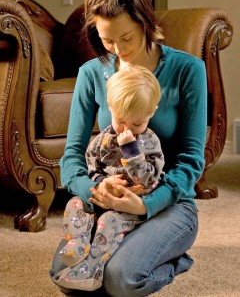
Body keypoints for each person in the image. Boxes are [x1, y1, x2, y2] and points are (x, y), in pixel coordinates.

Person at [49, 0, 207, 296]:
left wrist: (146, 204)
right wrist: (94, 190)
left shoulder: (188, 70)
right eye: (108, 40)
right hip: (106, 203)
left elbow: (191, 160)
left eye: (126, 37)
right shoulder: (92, 73)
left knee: (120, 281)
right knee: (67, 278)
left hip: (169, 203)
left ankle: (176, 259)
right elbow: (71, 156)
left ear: (146, 25)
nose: (119, 50)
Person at [55, 65, 165, 291]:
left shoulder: (150, 142)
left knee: (109, 223)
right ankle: (77, 243)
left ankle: (93, 269)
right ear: (111, 109)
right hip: (103, 198)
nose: (128, 129)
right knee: (74, 204)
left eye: (137, 123)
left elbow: (149, 180)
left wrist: (131, 153)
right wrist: (100, 185)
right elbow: (92, 166)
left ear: (151, 113)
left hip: (129, 207)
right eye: (121, 120)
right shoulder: (103, 138)